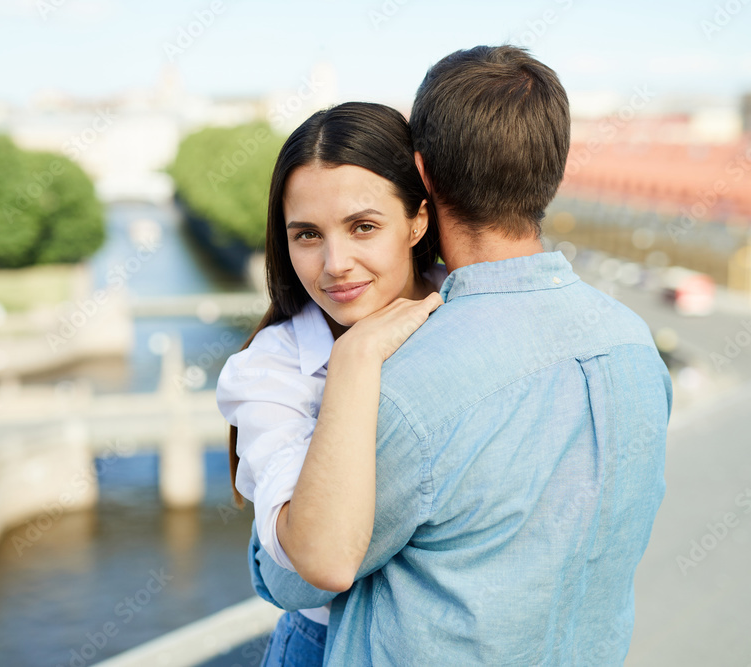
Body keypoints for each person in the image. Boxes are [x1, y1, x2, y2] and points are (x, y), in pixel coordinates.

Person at [247, 45, 673, 665]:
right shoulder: (634, 345)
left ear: (423, 176)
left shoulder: (407, 387)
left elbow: (297, 574)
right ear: (553, 170)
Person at [216, 101, 446, 666]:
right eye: (307, 235)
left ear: (418, 220)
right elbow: (324, 559)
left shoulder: (469, 309)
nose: (334, 263)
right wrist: (355, 359)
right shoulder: (269, 367)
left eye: (363, 227)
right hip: (324, 648)